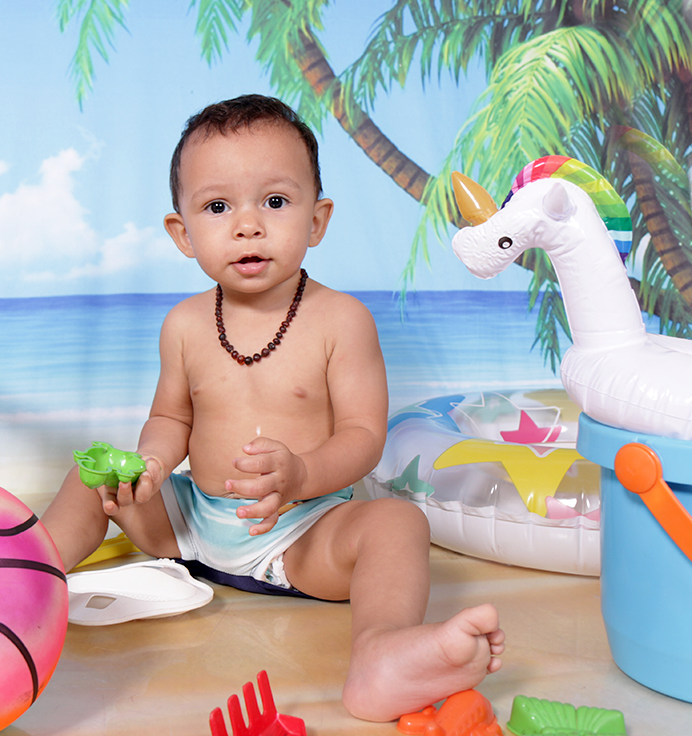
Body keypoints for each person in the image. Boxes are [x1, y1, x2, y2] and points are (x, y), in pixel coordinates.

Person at [41, 94, 504, 722]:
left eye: (276, 202)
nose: (248, 226)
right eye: (218, 207)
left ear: (317, 220)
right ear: (183, 233)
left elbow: (364, 435)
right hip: (191, 524)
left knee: (398, 525)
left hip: (300, 532)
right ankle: (23, 577)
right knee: (91, 476)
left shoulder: (341, 320)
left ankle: (382, 652)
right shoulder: (183, 325)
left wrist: (302, 475)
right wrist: (150, 464)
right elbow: (172, 419)